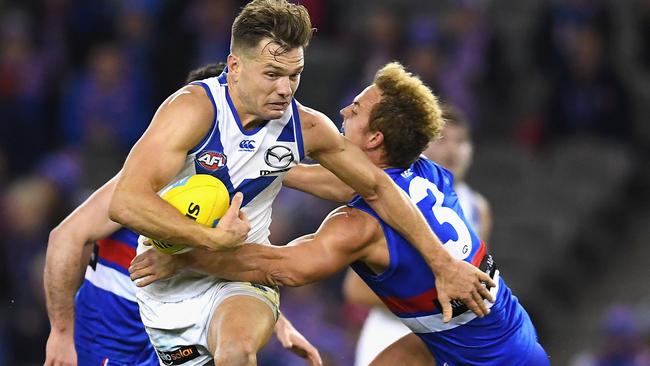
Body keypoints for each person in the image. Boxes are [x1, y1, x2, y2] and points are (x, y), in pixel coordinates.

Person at [108, 1, 494, 365]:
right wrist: (208, 238)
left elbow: (374, 186)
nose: (286, 89)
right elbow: (125, 202)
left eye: (295, 75)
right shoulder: (192, 110)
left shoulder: (306, 126)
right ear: (235, 66)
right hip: (164, 283)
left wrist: (442, 263)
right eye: (272, 74)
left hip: (237, 275)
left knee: (237, 351)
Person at [130, 62, 550, 365]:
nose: (343, 113)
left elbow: (282, 268)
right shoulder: (426, 173)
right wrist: (234, 153)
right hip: (508, 339)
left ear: (375, 137)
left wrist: (184, 259)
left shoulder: (359, 226)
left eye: (354, 110)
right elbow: (331, 179)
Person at [44, 63, 321, 366]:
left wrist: (277, 320)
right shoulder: (143, 186)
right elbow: (66, 236)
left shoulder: (240, 187)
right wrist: (60, 333)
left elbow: (235, 272)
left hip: (176, 336)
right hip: (111, 336)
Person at [344, 104, 494, 366]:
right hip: (393, 332)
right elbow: (355, 289)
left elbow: (480, 282)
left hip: (448, 336)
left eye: (461, 141)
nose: (453, 150)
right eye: (443, 139)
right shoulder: (392, 197)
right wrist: (432, 296)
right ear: (421, 144)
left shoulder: (478, 208)